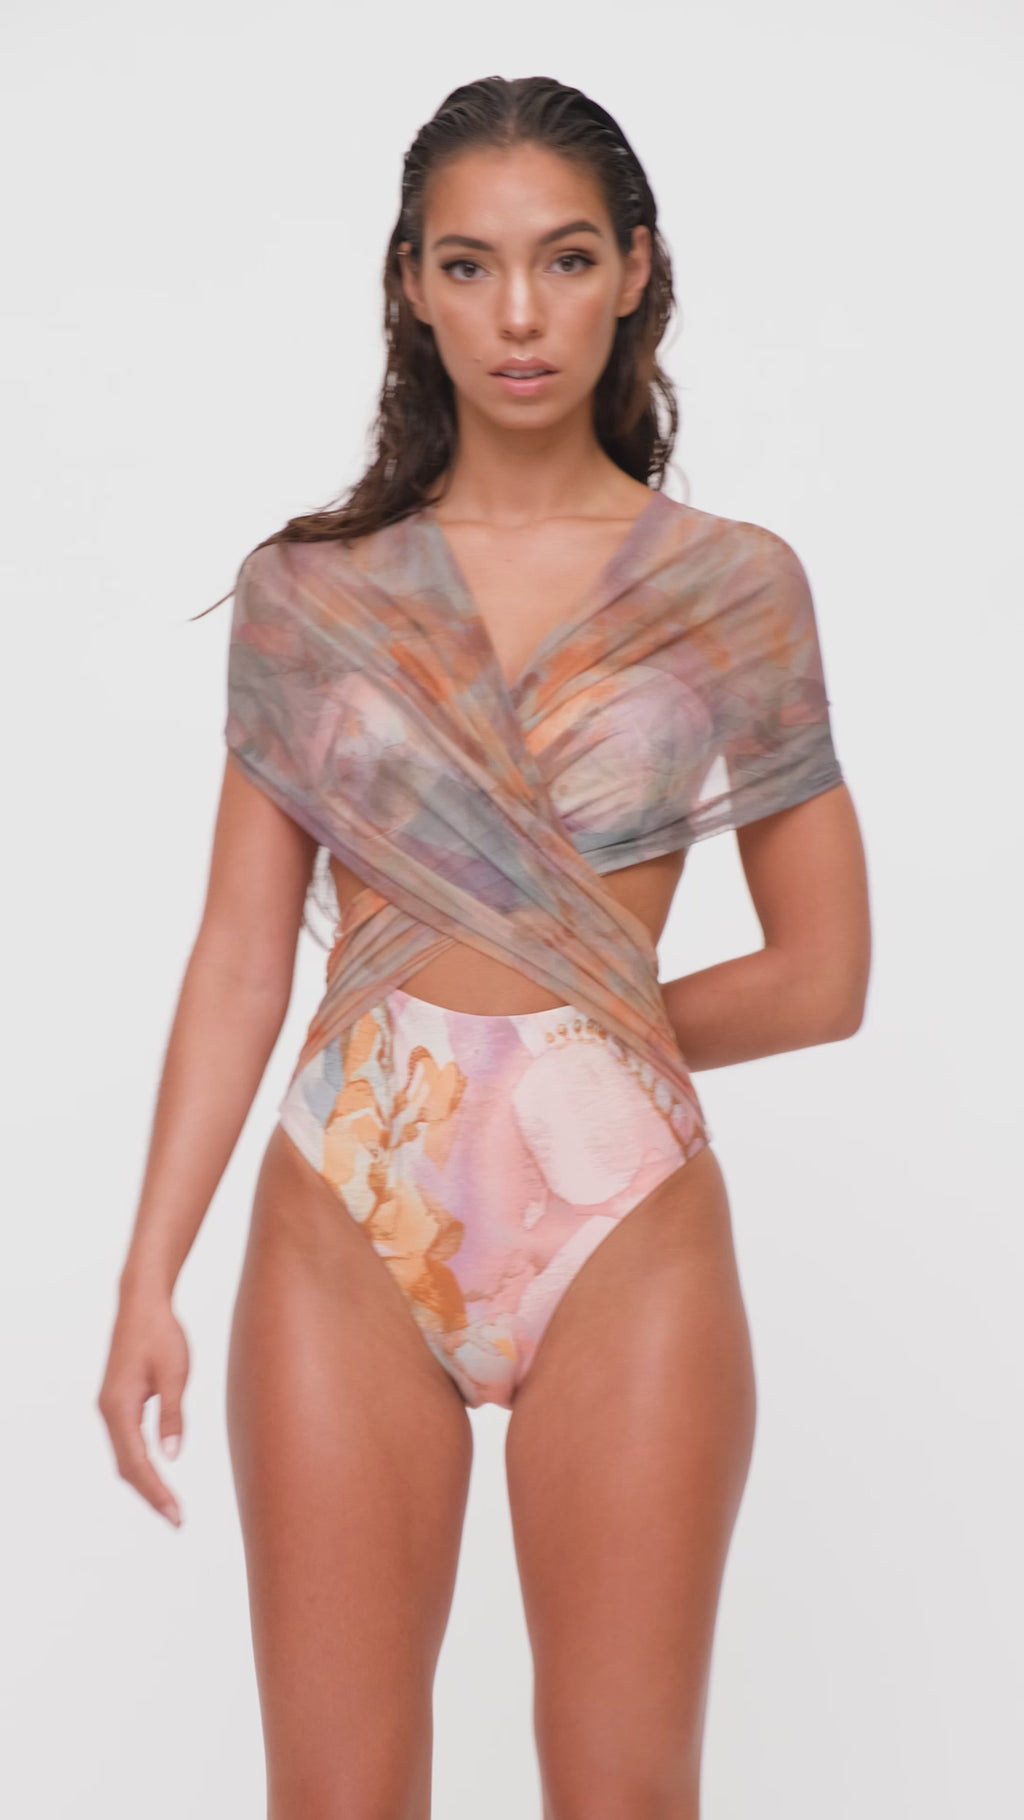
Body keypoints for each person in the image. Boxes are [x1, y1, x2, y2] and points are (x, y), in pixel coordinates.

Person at [98, 73, 870, 1820]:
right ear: (412, 285)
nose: (520, 313)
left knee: (624, 1795)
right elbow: (241, 957)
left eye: (565, 259)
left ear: (636, 272)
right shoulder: (310, 593)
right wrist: (149, 1275)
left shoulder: (736, 586)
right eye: (470, 265)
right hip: (345, 1201)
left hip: (624, 1215)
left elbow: (823, 974)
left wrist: (574, 1033)